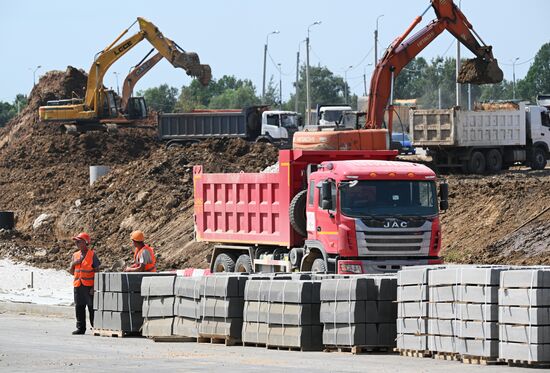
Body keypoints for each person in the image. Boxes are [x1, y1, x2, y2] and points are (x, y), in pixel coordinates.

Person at [69, 232, 100, 335]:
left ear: (85, 242)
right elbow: (71, 271)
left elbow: (97, 271)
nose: (77, 243)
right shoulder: (75, 255)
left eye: (79, 241)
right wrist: (74, 264)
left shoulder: (92, 255)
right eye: (76, 242)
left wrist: (94, 287)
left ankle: (95, 327)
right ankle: (81, 328)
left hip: (88, 286)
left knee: (91, 307)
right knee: (79, 307)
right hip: (78, 285)